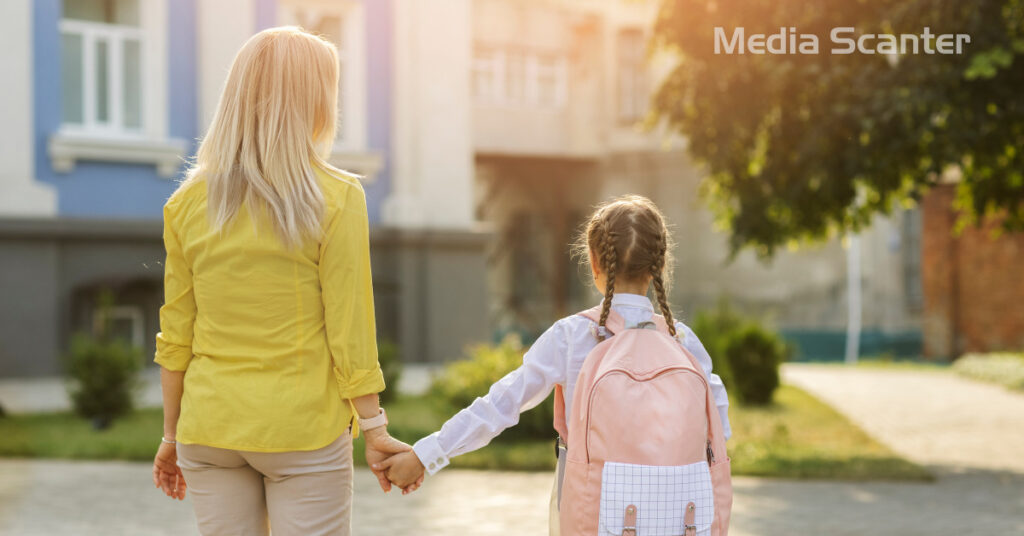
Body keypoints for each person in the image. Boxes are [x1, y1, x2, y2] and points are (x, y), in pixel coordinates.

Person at [150, 27, 410, 536]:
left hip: (209, 428)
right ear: (315, 101)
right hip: (302, 430)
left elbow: (175, 334)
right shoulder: (336, 196)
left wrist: (170, 435)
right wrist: (375, 428)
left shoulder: (185, 203)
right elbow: (350, 327)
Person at [376, 195, 732, 532]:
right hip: (683, 515)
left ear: (594, 261)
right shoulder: (683, 342)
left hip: (599, 516)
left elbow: (500, 406)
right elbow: (719, 431)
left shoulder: (572, 337)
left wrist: (426, 455)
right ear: (660, 265)